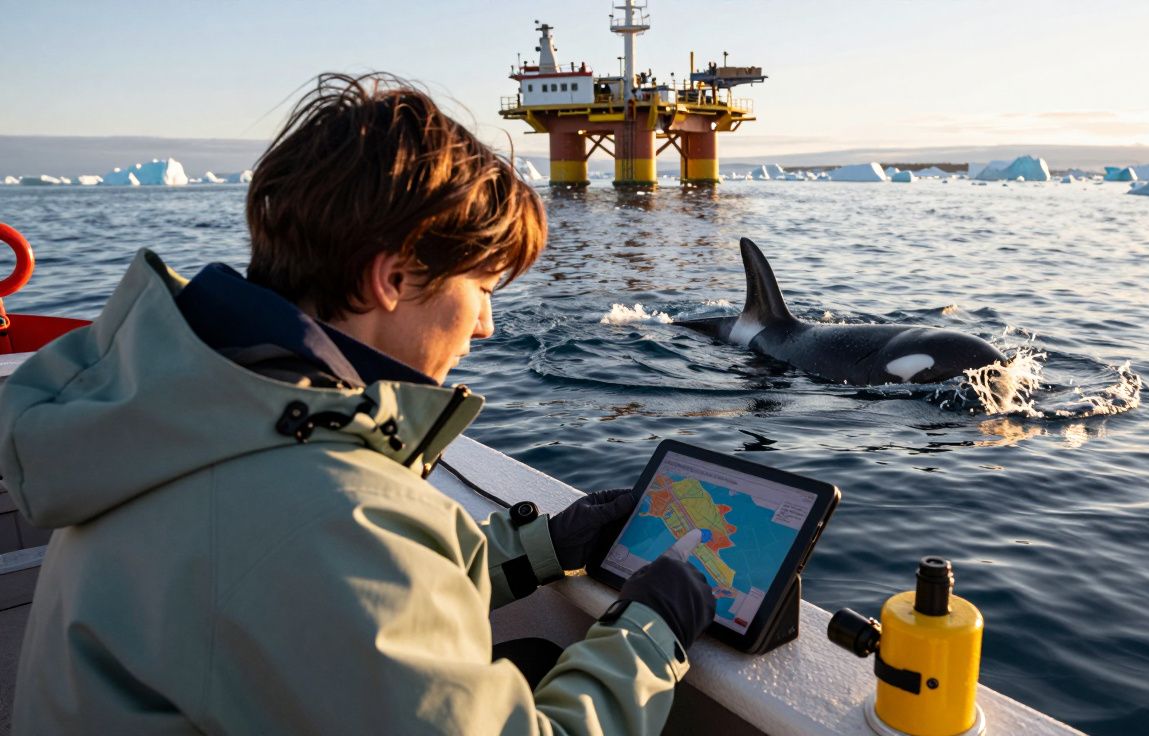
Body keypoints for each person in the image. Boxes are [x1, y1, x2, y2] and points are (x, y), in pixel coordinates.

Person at [0, 72, 715, 734]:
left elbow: (312, 598)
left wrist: (539, 550)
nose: (487, 326)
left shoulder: (182, 417)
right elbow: (329, 563)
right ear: (393, 278)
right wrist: (649, 632)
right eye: (483, 291)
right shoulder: (326, 511)